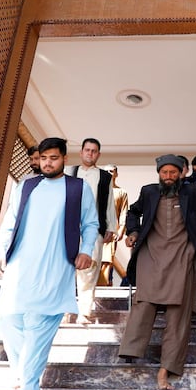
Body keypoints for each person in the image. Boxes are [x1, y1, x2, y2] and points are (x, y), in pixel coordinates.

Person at [0, 137, 98, 390]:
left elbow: (90, 223)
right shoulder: (27, 185)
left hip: (56, 264)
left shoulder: (78, 187)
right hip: (20, 263)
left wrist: (86, 250)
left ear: (64, 158)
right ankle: (22, 371)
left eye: (53, 158)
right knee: (4, 315)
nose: (47, 163)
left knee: (39, 327)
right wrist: (1, 252)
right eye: (43, 158)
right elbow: (10, 220)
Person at [119, 154, 196, 390]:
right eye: (164, 173)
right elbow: (133, 212)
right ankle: (131, 351)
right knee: (144, 304)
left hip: (183, 255)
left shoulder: (194, 193)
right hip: (151, 254)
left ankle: (165, 370)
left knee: (178, 315)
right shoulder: (148, 192)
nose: (168, 177)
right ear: (158, 173)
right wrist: (133, 232)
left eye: (173, 172)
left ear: (182, 173)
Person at [65, 138, 117, 324]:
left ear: (98, 154)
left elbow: (109, 203)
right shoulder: (68, 172)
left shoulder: (104, 177)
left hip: (93, 228)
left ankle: (84, 312)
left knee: (89, 268)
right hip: (68, 227)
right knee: (66, 268)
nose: (90, 154)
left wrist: (111, 227)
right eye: (87, 150)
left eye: (94, 151)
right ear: (81, 152)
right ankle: (63, 310)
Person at [100, 164, 129, 286]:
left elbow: (124, 212)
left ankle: (102, 289)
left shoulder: (121, 192)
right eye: (106, 171)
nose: (109, 174)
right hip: (96, 231)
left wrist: (121, 229)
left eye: (112, 171)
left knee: (107, 261)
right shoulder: (96, 190)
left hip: (111, 232)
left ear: (116, 174)